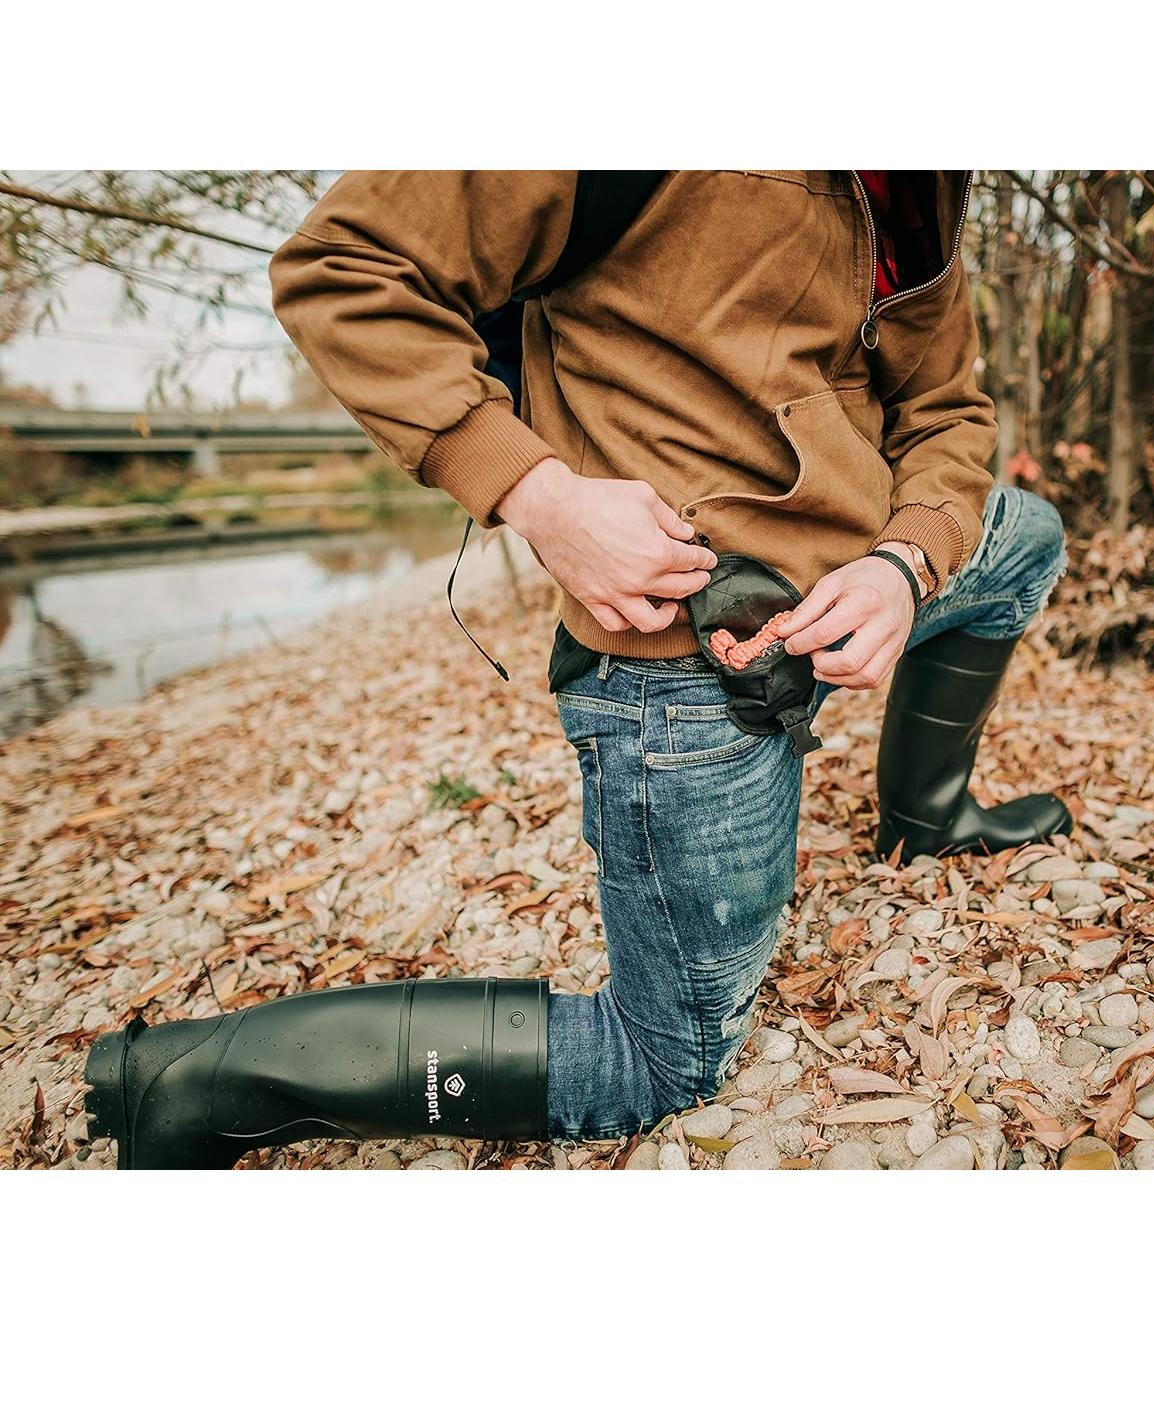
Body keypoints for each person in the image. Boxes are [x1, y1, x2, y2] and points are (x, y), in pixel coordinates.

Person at [83, 171, 1070, 1166]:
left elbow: (947, 408)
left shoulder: (926, 184)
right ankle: (180, 1082)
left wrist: (907, 562)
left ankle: (926, 818)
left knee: (1023, 534)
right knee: (663, 1061)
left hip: (867, 572)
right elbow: (344, 270)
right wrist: (539, 496)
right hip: (690, 663)